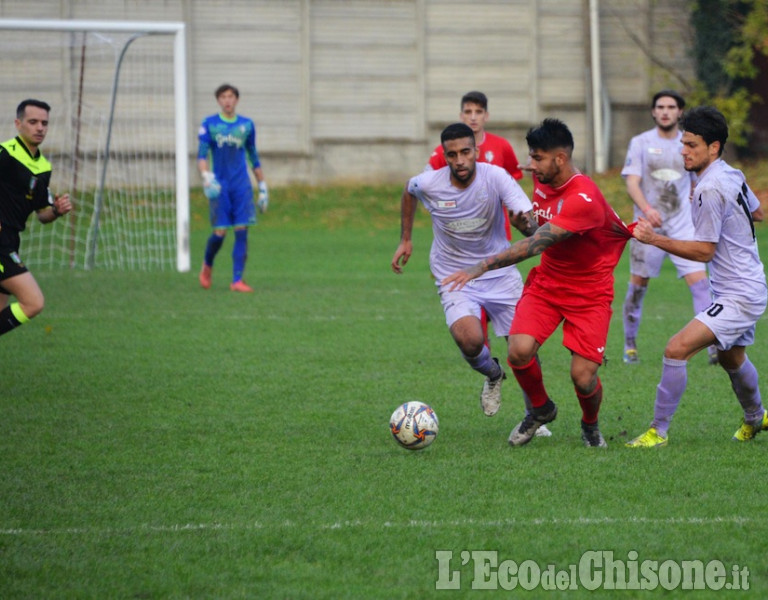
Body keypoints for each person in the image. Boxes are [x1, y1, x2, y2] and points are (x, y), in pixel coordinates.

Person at [442, 118, 632, 448]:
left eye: (537, 157)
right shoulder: (543, 182)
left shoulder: (583, 198)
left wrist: (480, 267)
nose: (530, 165)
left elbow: (536, 245)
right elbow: (545, 236)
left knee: (583, 378)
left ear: (560, 158)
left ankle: (590, 425)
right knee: (519, 351)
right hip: (548, 283)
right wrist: (527, 227)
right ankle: (541, 409)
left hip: (590, 293)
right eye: (531, 156)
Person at [626, 106, 767, 447]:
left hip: (739, 294)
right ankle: (756, 418)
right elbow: (758, 212)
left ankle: (657, 432)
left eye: (691, 145)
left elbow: (704, 251)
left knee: (676, 349)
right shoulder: (730, 175)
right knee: (731, 358)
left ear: (713, 147)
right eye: (683, 144)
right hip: (748, 285)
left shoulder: (711, 188)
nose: (683, 151)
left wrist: (653, 238)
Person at [392, 122, 537, 420]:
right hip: (453, 275)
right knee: (469, 341)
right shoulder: (429, 183)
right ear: (444, 156)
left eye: (465, 152)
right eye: (452, 154)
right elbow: (409, 191)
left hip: (499, 272)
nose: (459, 160)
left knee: (522, 350)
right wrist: (406, 239)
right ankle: (493, 374)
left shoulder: (495, 177)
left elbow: (528, 222)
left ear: (477, 151)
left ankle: (534, 413)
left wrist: (525, 225)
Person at [620, 90, 717, 365]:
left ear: (680, 112)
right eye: (660, 106)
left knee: (700, 284)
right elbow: (632, 181)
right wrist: (648, 210)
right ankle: (629, 345)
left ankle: (712, 347)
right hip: (647, 228)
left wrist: (697, 194)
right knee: (638, 285)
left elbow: (702, 176)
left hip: (684, 225)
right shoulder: (640, 142)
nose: (665, 111)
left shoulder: (688, 142)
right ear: (653, 112)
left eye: (671, 107)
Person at [0, 99, 72, 338]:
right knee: (33, 302)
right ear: (18, 124)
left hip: (11, 240)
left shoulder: (43, 167)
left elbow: (42, 213)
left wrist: (57, 211)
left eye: (44, 123)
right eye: (33, 122)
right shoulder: (5, 154)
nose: (39, 127)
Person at [197, 83, 269, 293]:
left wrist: (262, 185)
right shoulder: (209, 124)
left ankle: (237, 280)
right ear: (218, 101)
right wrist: (206, 175)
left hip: (241, 185)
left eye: (230, 97)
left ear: (236, 100)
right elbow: (202, 156)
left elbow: (252, 155)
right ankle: (207, 265)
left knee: (242, 230)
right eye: (223, 97)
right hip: (219, 186)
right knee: (219, 233)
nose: (227, 100)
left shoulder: (246, 125)